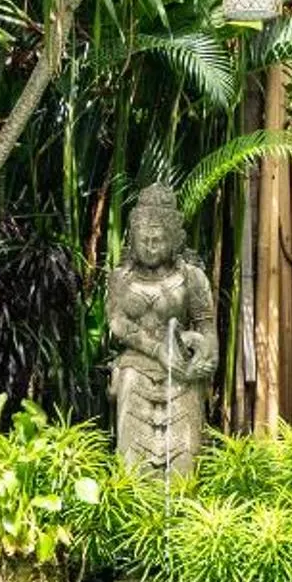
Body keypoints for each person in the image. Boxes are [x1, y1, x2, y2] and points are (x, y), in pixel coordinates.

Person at [106, 182, 218, 479]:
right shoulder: (121, 278)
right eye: (144, 239)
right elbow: (117, 324)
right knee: (132, 460)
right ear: (133, 238)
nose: (150, 246)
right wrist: (157, 350)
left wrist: (204, 359)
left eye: (158, 239)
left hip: (179, 373)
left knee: (184, 455)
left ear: (175, 240)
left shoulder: (192, 277)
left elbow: (207, 327)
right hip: (136, 369)